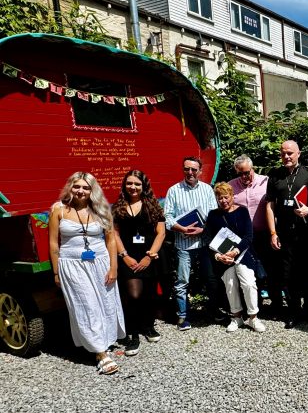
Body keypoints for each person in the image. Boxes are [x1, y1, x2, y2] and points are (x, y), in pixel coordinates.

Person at [48, 172, 126, 375]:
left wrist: (114, 267)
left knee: (105, 304)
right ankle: (100, 353)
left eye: (85, 187)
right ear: (70, 187)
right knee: (86, 305)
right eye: (77, 186)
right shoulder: (59, 210)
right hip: (72, 264)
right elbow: (54, 242)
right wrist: (56, 271)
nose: (80, 191)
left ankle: (103, 341)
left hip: (100, 262)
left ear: (92, 190)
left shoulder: (102, 209)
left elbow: (110, 239)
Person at [112, 170, 166, 357]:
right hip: (128, 256)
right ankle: (133, 333)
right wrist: (124, 255)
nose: (133, 187)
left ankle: (148, 327)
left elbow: (161, 232)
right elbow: (114, 234)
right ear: (124, 186)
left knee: (150, 294)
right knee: (133, 295)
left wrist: (149, 256)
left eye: (137, 184)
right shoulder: (118, 207)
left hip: (149, 255)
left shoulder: (152, 205)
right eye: (129, 183)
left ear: (144, 186)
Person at [164, 156, 219, 331]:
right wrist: (181, 228)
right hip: (183, 244)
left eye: (194, 169)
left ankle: (214, 310)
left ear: (200, 171)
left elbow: (214, 216)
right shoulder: (173, 190)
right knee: (182, 281)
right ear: (183, 170)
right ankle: (183, 316)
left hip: (204, 243)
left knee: (211, 279)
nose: (190, 173)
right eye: (187, 169)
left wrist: (203, 230)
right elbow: (167, 217)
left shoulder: (207, 190)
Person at [266, 140, 308, 328]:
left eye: (290, 153)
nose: (286, 156)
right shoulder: (275, 175)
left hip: (306, 233)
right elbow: (270, 205)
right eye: (283, 153)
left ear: (298, 154)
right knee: (288, 275)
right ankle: (294, 311)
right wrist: (272, 232)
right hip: (284, 234)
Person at [206, 182, 265, 333]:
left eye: (226, 197)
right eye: (220, 198)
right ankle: (236, 317)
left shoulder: (242, 211)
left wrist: (235, 251)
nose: (223, 201)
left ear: (232, 196)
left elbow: (248, 236)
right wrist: (219, 256)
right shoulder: (213, 215)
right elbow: (209, 239)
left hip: (243, 254)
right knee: (230, 285)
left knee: (249, 283)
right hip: (224, 258)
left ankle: (253, 317)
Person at [228, 155, 270, 298]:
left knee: (268, 267)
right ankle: (253, 304)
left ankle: (275, 303)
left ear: (253, 168)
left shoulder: (265, 182)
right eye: (240, 173)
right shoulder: (231, 186)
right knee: (247, 270)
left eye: (247, 172)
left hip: (263, 232)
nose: (244, 176)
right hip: (242, 237)